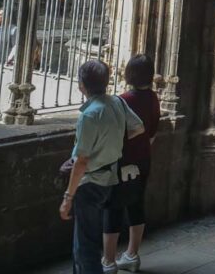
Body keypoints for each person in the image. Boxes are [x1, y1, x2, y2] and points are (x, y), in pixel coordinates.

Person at [60, 60, 145, 274]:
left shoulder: (89, 115)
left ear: (81, 85)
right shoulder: (116, 102)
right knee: (85, 242)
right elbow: (138, 128)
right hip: (109, 177)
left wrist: (68, 198)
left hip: (89, 183)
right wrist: (112, 145)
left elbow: (81, 162)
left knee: (85, 247)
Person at [102, 55, 161, 273]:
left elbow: (113, 134)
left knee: (113, 208)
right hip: (144, 159)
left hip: (122, 161)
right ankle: (132, 255)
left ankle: (108, 262)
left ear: (129, 74)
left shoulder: (122, 100)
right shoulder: (154, 98)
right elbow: (152, 132)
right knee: (136, 205)